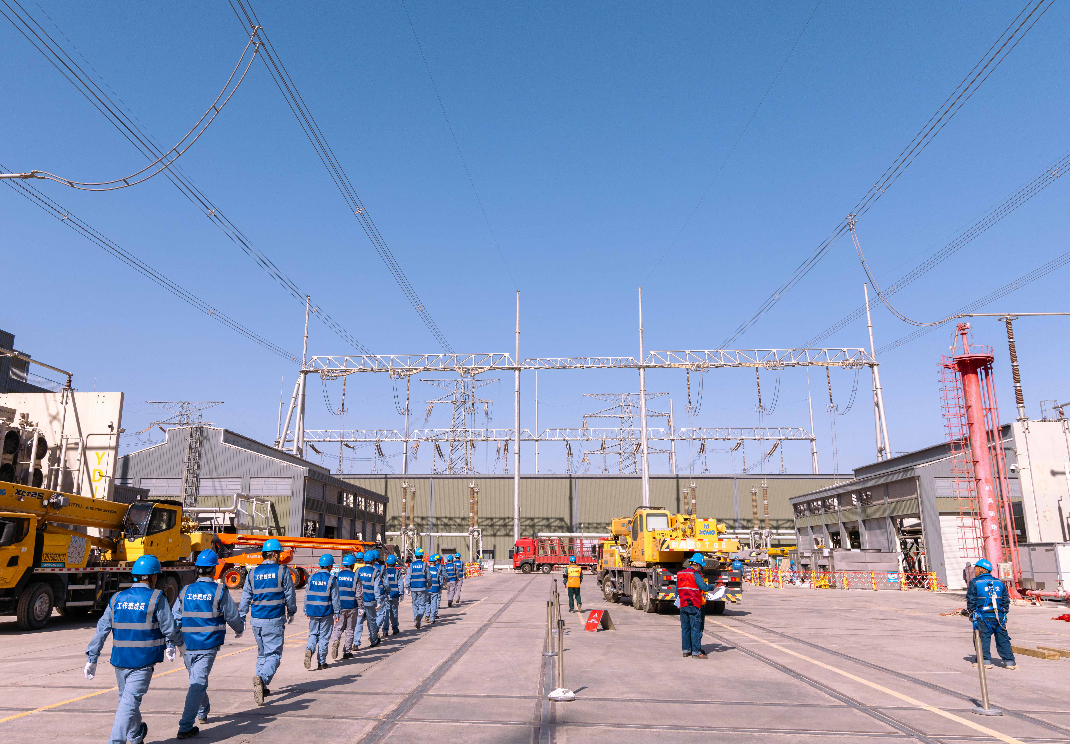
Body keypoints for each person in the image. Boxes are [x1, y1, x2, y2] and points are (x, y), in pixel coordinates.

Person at [84, 555, 183, 744]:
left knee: (127, 701)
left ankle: (136, 735)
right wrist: (180, 645)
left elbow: (102, 628)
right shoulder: (156, 598)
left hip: (120, 661)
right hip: (142, 662)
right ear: (153, 577)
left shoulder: (117, 598)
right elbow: (169, 628)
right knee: (128, 704)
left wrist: (92, 657)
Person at [169, 549, 245, 739]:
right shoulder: (219, 591)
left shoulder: (185, 590)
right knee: (197, 682)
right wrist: (239, 629)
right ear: (213, 570)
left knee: (196, 681)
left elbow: (174, 618)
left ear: (197, 570)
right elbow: (232, 615)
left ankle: (203, 711)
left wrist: (171, 643)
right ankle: (186, 726)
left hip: (186, 646)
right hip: (207, 645)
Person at [238, 538, 297, 705]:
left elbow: (245, 598)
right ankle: (262, 679)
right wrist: (291, 611)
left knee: (262, 653)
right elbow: (290, 595)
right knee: (274, 655)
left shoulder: (252, 573)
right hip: (274, 619)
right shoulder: (282, 571)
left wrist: (241, 617)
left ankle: (261, 687)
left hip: (256, 621)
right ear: (276, 554)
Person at [967, 558, 1016, 670]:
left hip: (983, 616)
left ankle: (985, 661)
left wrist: (971, 613)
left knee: (982, 639)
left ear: (981, 569)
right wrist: (1004, 613)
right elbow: (1005, 600)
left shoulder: (975, 582)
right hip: (999, 617)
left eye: (976, 568)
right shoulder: (999, 582)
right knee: (1003, 639)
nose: (975, 570)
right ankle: (1010, 662)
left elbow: (971, 600)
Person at [304, 553, 341, 670]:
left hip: (313, 611)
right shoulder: (331, 579)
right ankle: (321, 662)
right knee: (324, 637)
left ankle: (309, 649)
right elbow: (335, 598)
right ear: (330, 566)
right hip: (326, 611)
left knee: (313, 634)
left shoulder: (311, 577)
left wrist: (306, 609)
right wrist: (337, 613)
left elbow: (306, 595)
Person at [677, 553, 710, 659]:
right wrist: (713, 586)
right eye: (701, 566)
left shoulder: (680, 574)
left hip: (683, 605)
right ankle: (696, 652)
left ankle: (686, 650)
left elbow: (677, 590)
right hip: (694, 605)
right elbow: (704, 587)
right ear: (698, 565)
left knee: (685, 629)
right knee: (696, 629)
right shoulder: (695, 574)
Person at [330, 553, 360, 660]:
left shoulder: (337, 576)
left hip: (340, 606)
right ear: (352, 565)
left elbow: (333, 592)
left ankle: (335, 641)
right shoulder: (355, 576)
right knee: (350, 629)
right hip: (352, 606)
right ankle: (347, 651)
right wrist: (360, 607)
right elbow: (359, 594)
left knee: (338, 628)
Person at [355, 550, 384, 648]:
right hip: (370, 601)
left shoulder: (358, 571)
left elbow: (355, 586)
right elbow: (376, 589)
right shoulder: (375, 572)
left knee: (358, 622)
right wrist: (379, 601)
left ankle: (355, 643)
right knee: (371, 622)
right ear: (373, 561)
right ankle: (373, 640)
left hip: (360, 601)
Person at [378, 554, 403, 636]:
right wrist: (401, 593)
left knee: (385, 613)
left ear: (387, 563)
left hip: (386, 596)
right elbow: (400, 584)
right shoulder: (397, 572)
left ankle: (385, 630)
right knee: (394, 612)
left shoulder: (384, 571)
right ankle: (395, 628)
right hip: (395, 595)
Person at [407, 549, 428, 629]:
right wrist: (429, 584)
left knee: (415, 605)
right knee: (422, 604)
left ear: (415, 556)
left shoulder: (411, 565)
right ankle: (419, 616)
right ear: (422, 556)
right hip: (422, 587)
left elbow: (408, 576)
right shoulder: (424, 565)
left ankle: (416, 621)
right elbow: (428, 576)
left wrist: (407, 587)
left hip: (413, 588)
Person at [426, 554, 443, 623]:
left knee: (427, 602)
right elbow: (440, 581)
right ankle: (432, 618)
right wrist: (440, 588)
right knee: (433, 603)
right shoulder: (438, 570)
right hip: (435, 589)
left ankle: (427, 615)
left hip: (427, 589)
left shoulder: (426, 570)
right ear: (434, 562)